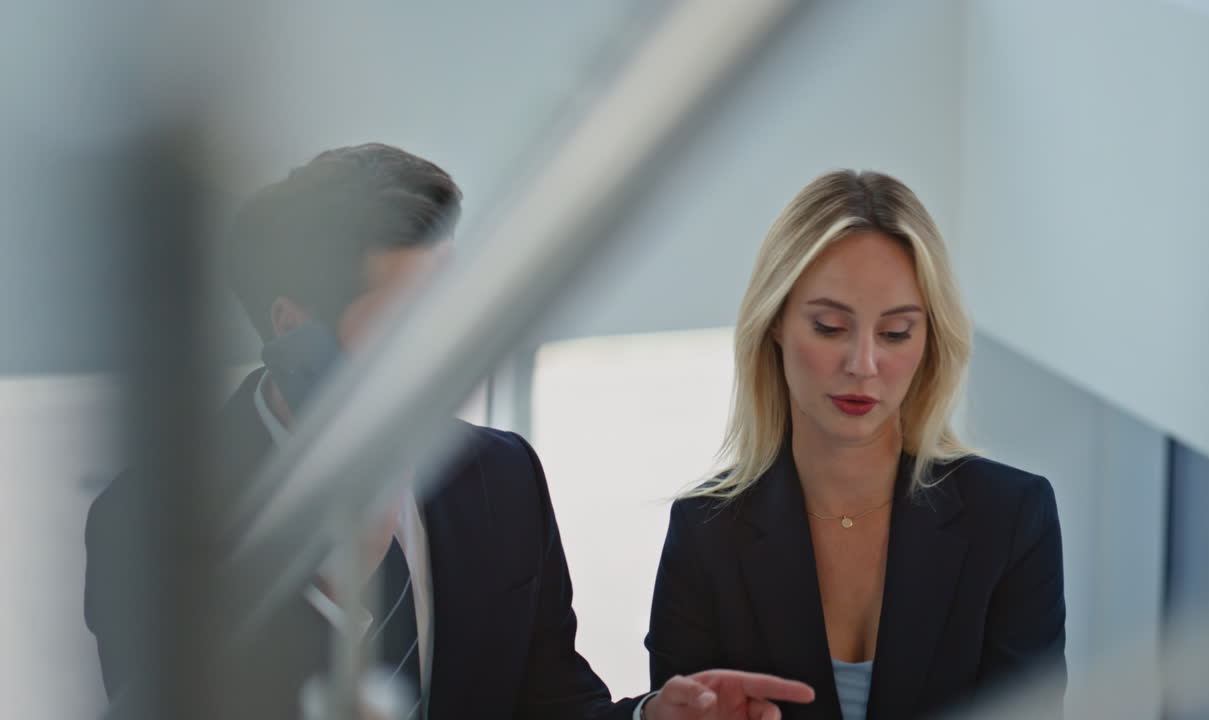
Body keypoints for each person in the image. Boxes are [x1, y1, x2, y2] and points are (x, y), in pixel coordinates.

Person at [84, 143, 814, 719]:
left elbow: (552, 705)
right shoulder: (151, 523)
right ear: (293, 329)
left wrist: (651, 719)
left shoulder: (498, 479)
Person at [645, 170, 1067, 719]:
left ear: (929, 341)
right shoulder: (705, 533)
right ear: (774, 322)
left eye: (895, 333)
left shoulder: (1012, 518)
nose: (862, 365)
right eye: (828, 327)